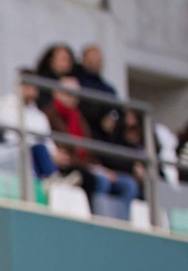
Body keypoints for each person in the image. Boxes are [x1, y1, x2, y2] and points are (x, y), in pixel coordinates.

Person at [42, 75, 137, 206]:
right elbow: (62, 153)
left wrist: (99, 168)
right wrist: (92, 168)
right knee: (100, 181)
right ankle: (97, 221)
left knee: (128, 184)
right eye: (68, 93)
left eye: (75, 94)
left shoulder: (80, 119)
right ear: (56, 92)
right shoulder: (48, 116)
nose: (72, 97)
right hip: (69, 167)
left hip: (87, 166)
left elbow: (90, 150)